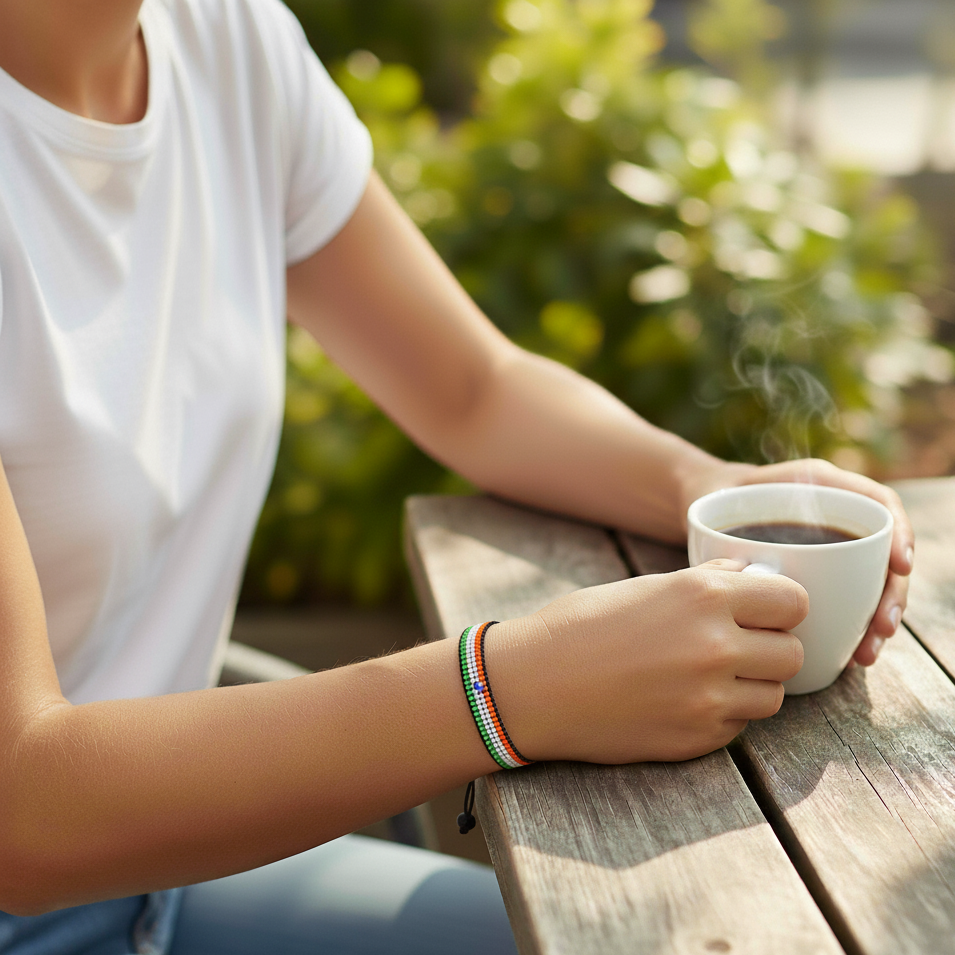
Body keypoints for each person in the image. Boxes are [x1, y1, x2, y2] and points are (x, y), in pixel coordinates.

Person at [0, 0, 913, 952]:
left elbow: (469, 389)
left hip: (166, 879)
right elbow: (23, 814)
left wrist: (706, 484)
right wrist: (511, 687)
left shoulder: (225, 40)